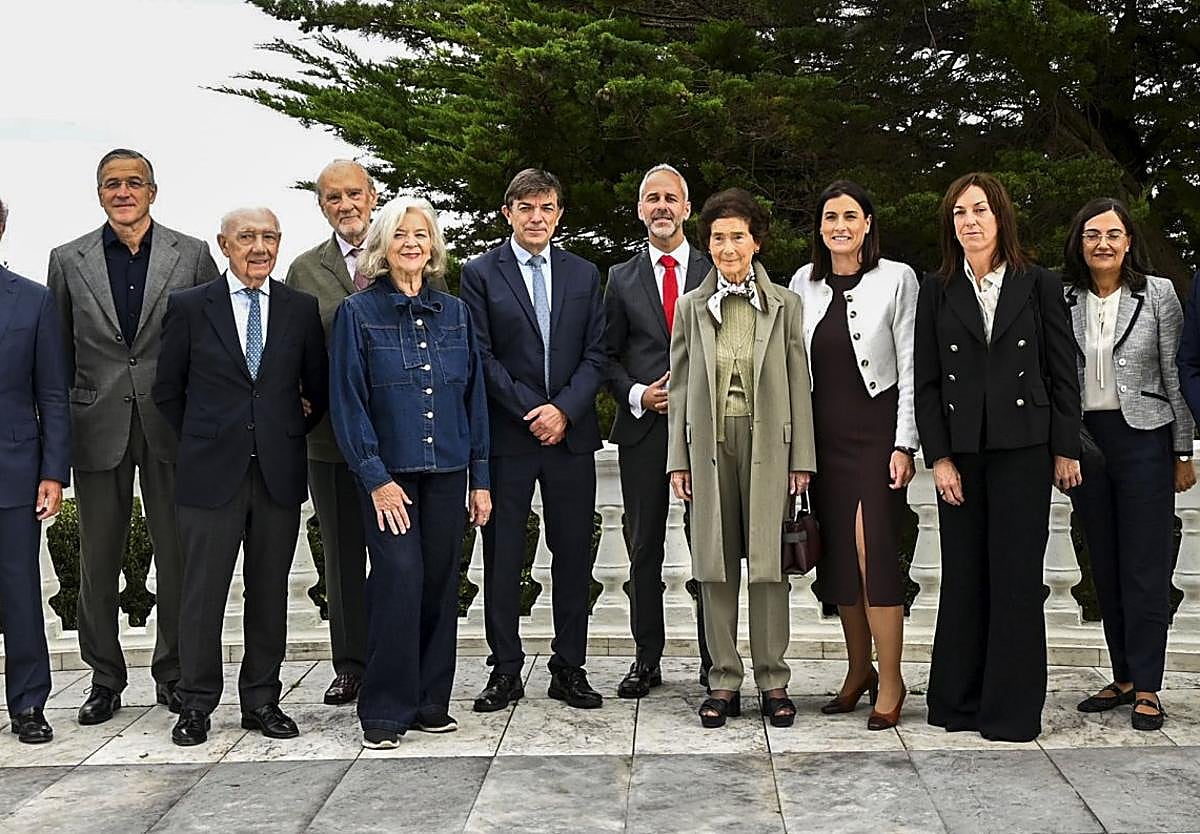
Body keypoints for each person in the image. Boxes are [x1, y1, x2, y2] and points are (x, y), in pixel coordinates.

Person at [47, 148, 219, 725]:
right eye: (111, 184)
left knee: (177, 557)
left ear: (152, 191)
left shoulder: (191, 254)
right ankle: (104, 679)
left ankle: (173, 674)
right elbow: (58, 354)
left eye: (134, 182)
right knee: (98, 560)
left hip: (172, 426)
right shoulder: (67, 260)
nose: (123, 192)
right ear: (99, 193)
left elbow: (212, 343)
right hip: (96, 425)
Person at [913, 172, 1081, 742]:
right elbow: (927, 381)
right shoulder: (937, 287)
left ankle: (1010, 712)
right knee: (963, 577)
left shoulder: (1038, 282)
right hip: (961, 454)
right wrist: (939, 458)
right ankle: (958, 703)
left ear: (1000, 216)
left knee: (1016, 579)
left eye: (979, 210)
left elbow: (1062, 371)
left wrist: (1065, 446)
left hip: (1025, 449)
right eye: (959, 212)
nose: (970, 221)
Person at [153, 208, 328, 746]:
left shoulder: (300, 308)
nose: (259, 247)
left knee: (270, 592)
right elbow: (167, 391)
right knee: (202, 594)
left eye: (269, 237)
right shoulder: (190, 306)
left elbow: (316, 390)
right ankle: (195, 703)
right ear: (224, 244)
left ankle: (262, 700)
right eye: (247, 237)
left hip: (277, 472)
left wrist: (281, 431)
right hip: (209, 475)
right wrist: (207, 437)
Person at [329, 196, 491, 749]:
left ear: (433, 246)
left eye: (421, 234)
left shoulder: (456, 313)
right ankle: (383, 709)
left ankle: (429, 702)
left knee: (441, 582)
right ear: (382, 245)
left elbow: (474, 400)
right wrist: (375, 478)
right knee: (398, 577)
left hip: (447, 469)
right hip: (389, 477)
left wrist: (481, 479)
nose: (412, 243)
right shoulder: (357, 313)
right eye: (400, 234)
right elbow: (348, 402)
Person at [286, 160, 444, 707]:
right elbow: (294, 346)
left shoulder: (410, 256)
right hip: (333, 441)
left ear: (372, 195)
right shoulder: (305, 270)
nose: (345, 205)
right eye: (333, 197)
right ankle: (352, 665)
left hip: (406, 441)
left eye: (354, 193)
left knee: (404, 563)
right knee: (343, 556)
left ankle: (405, 663)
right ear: (321, 206)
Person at [667, 188, 816, 728]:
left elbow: (799, 382)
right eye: (718, 238)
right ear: (707, 245)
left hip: (769, 444)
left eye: (738, 237)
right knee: (715, 564)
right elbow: (679, 387)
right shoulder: (691, 307)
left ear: (756, 242)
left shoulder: (785, 305)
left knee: (769, 565)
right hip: (709, 445)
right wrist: (677, 460)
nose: (728, 248)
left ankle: (773, 680)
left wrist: (802, 458)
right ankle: (724, 680)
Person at [459, 169, 608, 712]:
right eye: (526, 207)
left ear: (559, 213)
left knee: (573, 555)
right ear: (508, 213)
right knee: (503, 557)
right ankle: (505, 669)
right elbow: (481, 355)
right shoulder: (480, 273)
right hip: (510, 436)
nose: (536, 217)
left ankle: (570, 667)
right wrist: (532, 411)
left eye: (546, 207)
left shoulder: (584, 273)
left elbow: (597, 353)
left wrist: (564, 410)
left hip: (570, 437)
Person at [788, 180, 918, 730]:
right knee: (840, 557)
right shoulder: (803, 282)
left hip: (876, 436)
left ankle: (892, 679)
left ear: (867, 223)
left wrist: (905, 443)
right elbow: (793, 369)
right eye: (830, 217)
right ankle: (857, 669)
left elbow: (912, 364)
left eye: (849, 216)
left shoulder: (898, 278)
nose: (839, 226)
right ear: (820, 227)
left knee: (873, 554)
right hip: (823, 441)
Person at [1061, 198, 1194, 730]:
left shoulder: (1157, 293)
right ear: (1080, 242)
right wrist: (1061, 446)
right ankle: (1122, 676)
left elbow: (1174, 373)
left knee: (1145, 566)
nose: (1103, 244)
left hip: (1145, 440)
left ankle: (1148, 685)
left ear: (1128, 241)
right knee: (1106, 563)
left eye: (1113, 234)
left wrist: (1182, 451)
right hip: (1086, 443)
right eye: (1093, 234)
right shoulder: (1062, 296)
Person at [604, 164, 712, 698]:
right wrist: (638, 395)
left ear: (687, 208)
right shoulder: (620, 278)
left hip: (708, 432)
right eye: (653, 198)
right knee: (643, 546)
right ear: (641, 210)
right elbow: (605, 356)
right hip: (645, 429)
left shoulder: (715, 269)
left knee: (709, 547)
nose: (662, 206)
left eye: (671, 198)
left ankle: (716, 660)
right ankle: (646, 659)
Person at [0, 196, 71, 744]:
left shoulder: (33, 300)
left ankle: (28, 705)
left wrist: (53, 472)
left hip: (15, 470)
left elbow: (52, 393)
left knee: (20, 590)